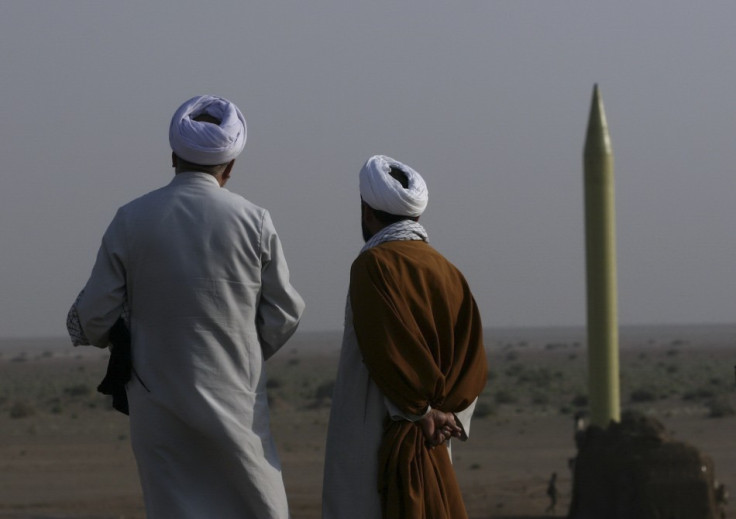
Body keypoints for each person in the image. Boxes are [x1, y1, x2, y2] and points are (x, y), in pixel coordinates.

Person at [66, 95, 304, 519]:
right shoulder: (255, 220)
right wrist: (240, 350)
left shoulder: (131, 219)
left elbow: (94, 317)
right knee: (255, 503)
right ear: (230, 166)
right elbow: (284, 313)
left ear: (173, 157)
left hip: (158, 405)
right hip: (237, 400)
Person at [322, 155, 487, 519]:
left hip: (375, 431)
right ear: (416, 217)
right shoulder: (449, 272)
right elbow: (471, 357)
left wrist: (420, 412)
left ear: (367, 212)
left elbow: (386, 349)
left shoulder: (373, 266)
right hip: (435, 436)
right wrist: (449, 415)